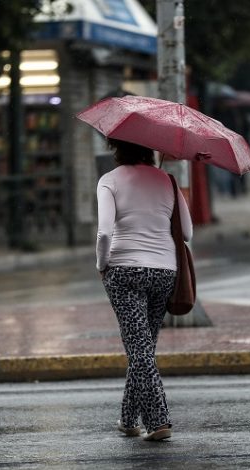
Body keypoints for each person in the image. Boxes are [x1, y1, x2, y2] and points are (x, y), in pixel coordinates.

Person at [96, 138, 192, 442]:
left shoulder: (109, 181)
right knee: (144, 347)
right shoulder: (168, 181)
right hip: (164, 271)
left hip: (124, 271)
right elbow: (187, 232)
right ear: (149, 149)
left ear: (116, 149)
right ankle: (128, 419)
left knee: (138, 348)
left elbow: (103, 232)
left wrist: (102, 266)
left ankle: (158, 420)